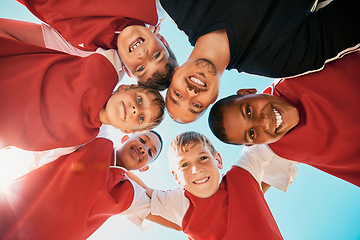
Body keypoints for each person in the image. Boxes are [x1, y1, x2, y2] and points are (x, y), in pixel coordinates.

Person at [159, 0, 360, 123]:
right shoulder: (278, 61)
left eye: (177, 94)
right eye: (196, 105)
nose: (191, 94)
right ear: (213, 98)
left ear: (174, 72)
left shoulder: (178, 4)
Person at [208, 51, 360, 187]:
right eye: (252, 133)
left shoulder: (298, 66)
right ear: (251, 143)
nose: (265, 122)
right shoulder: (275, 149)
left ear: (247, 92)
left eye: (248, 111)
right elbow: (244, 198)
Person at [0, 131, 181, 240]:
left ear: (145, 167)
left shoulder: (130, 194)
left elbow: (177, 220)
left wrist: (147, 189)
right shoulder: (96, 139)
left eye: (150, 152)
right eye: (142, 140)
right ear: (126, 136)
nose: (143, 148)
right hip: (8, 214)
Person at [0, 35, 165, 151]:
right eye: (140, 100)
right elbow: (125, 39)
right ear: (124, 88)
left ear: (127, 131)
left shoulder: (86, 140)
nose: (136, 109)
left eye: (141, 118)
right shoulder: (109, 67)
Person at [132, 132, 297, 239]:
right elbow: (140, 191)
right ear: (176, 176)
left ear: (218, 160)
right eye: (184, 165)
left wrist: (255, 193)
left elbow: (274, 133)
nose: (196, 169)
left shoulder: (244, 173)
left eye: (203, 158)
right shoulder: (178, 202)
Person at [0, 17, 178, 91]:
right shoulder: (151, 10)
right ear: (163, 40)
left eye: (140, 68)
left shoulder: (84, 51)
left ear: (128, 72)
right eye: (156, 56)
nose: (143, 55)